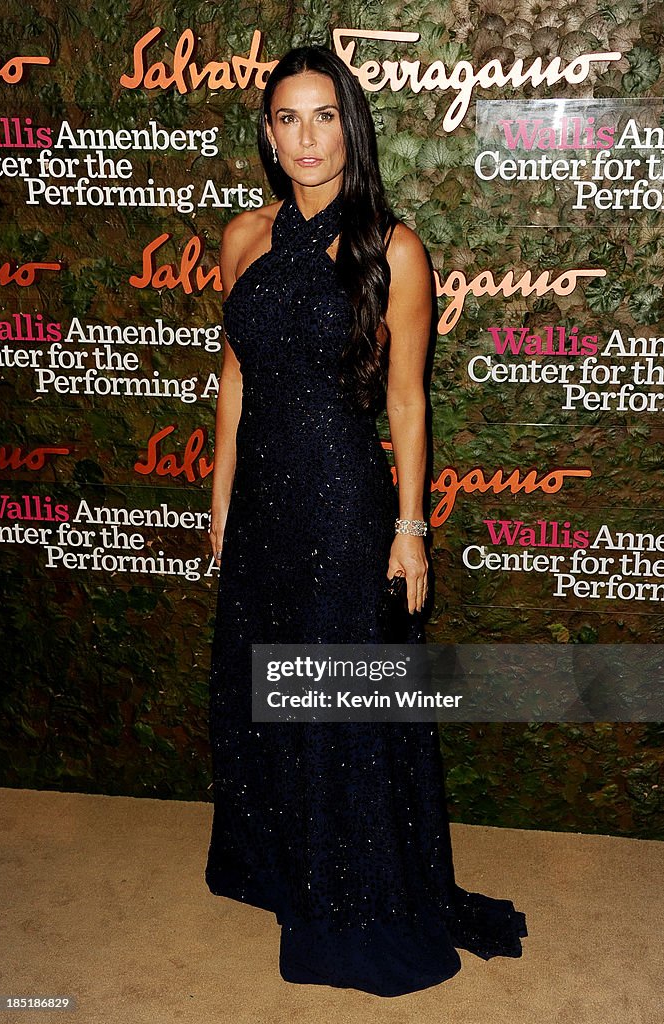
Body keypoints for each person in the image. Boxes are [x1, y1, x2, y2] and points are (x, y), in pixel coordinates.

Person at [204, 43, 527, 997]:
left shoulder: (392, 246)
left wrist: (409, 530)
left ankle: (353, 888)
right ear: (267, 133)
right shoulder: (242, 237)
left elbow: (406, 403)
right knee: (264, 682)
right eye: (287, 119)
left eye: (323, 115)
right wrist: (218, 500)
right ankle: (278, 861)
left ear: (352, 124)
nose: (306, 138)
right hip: (258, 500)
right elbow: (232, 380)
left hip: (343, 501)